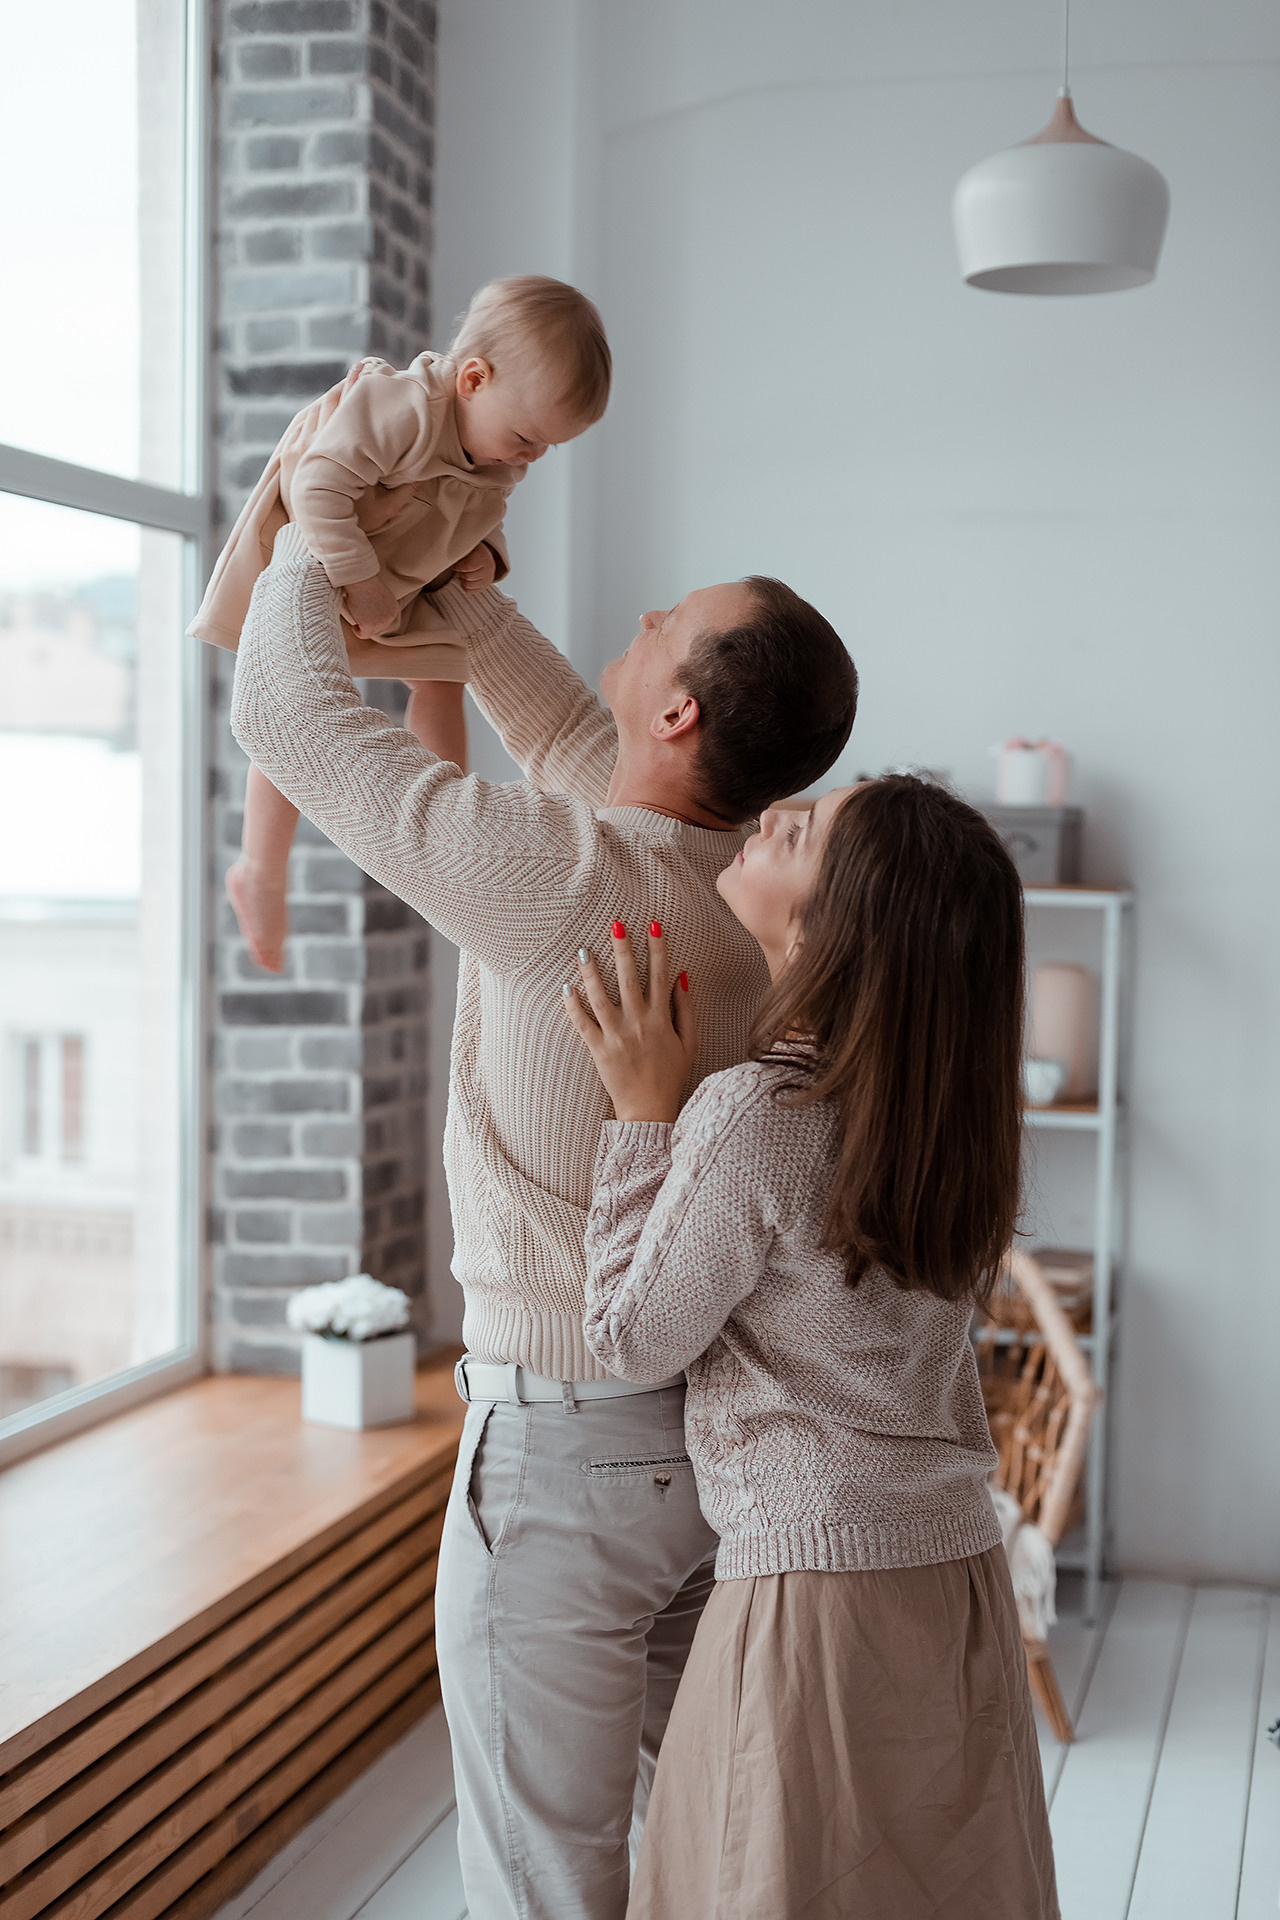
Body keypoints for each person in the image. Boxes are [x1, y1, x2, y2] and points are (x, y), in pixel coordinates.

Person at [228, 512, 858, 1919]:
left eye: (658, 625)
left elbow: (281, 709)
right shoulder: (735, 904)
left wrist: (299, 538)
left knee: (545, 1887)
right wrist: (468, 596)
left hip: (563, 1457)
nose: (632, 621)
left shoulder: (564, 879)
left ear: (682, 707)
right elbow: (588, 746)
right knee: (716, 1845)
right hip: (691, 1451)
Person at [565, 775, 1059, 1920]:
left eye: (803, 833)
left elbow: (629, 1337)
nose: (768, 818)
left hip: (811, 1600)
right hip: (954, 1581)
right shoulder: (955, 1130)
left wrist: (641, 1113)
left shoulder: (753, 1114)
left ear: (834, 925)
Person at [192, 274, 610, 971]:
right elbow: (315, 487)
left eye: (547, 448)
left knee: (444, 676)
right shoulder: (403, 407)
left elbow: (481, 507)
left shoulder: (497, 445)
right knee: (294, 711)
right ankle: (260, 868)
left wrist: (488, 554)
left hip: (400, 566)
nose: (530, 458)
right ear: (473, 378)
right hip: (327, 547)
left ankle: (444, 845)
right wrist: (356, 579)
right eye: (526, 438)